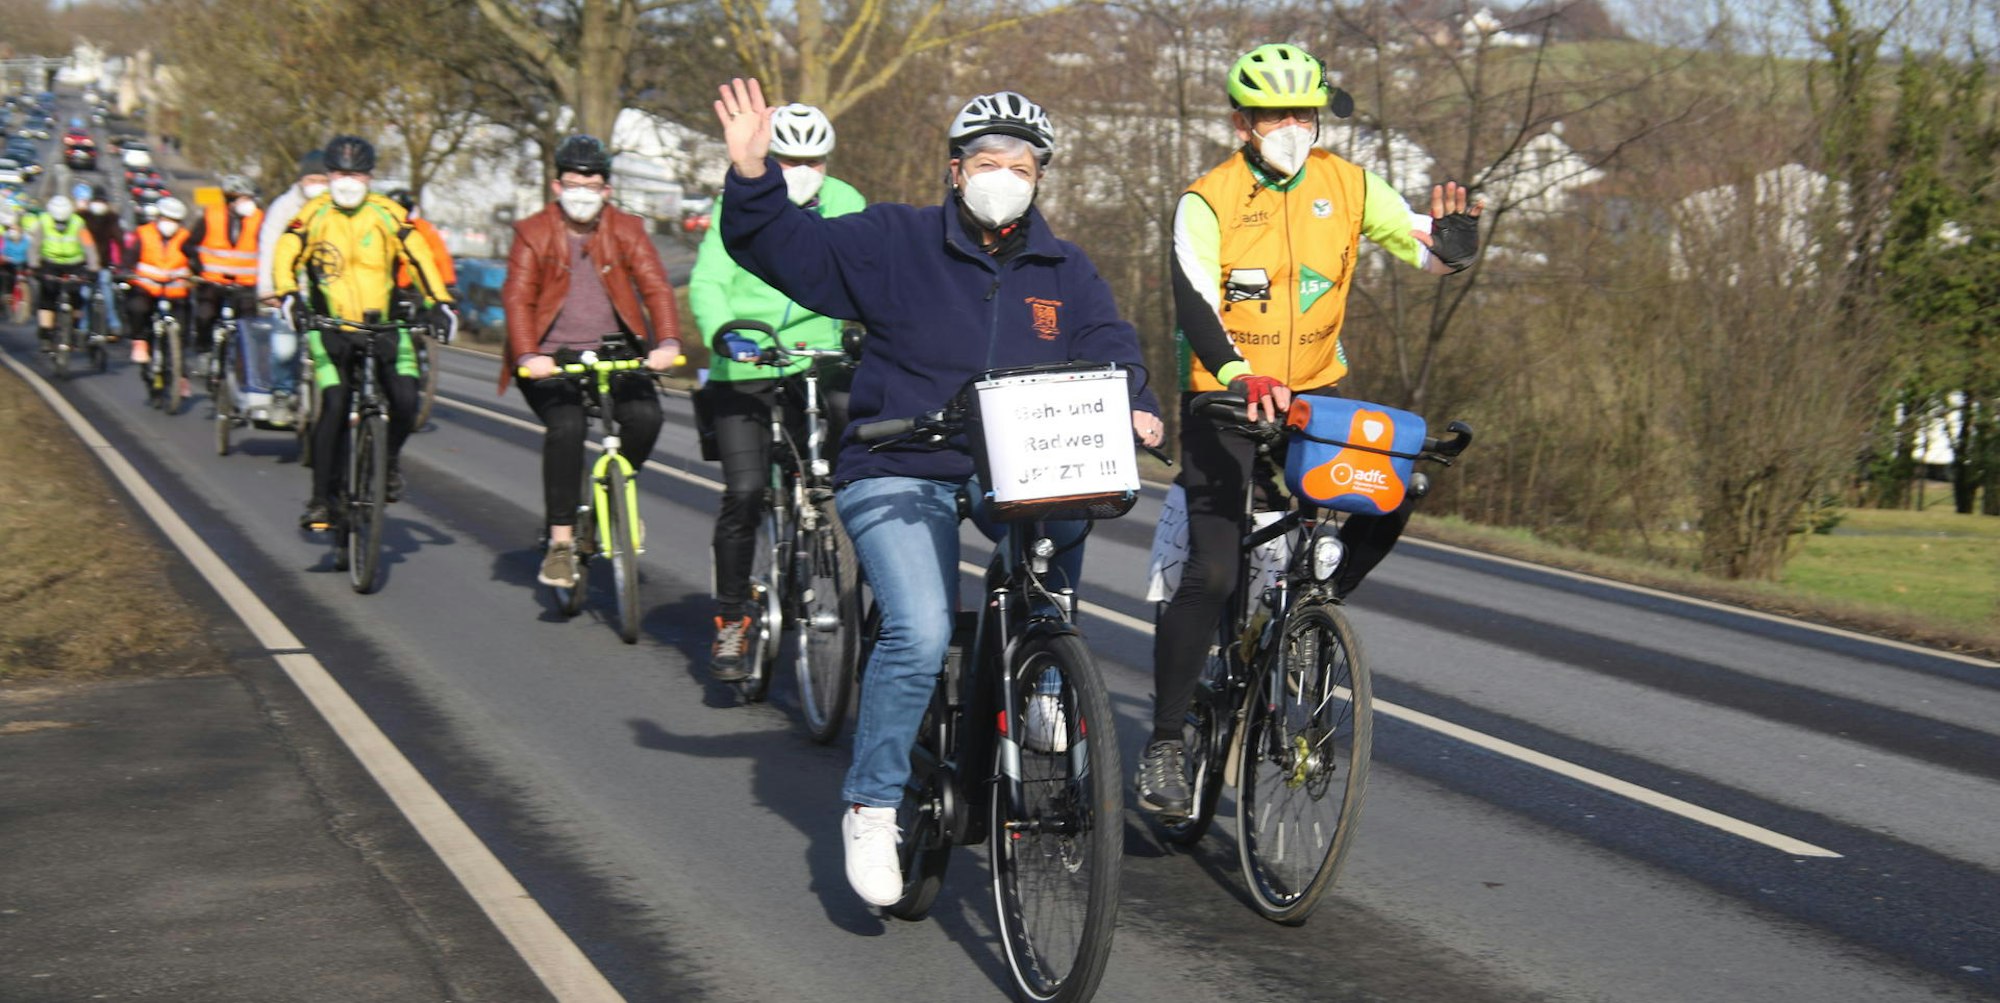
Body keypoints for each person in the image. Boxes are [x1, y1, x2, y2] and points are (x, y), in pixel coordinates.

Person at [712, 78, 1163, 907]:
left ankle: (1043, 680)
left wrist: (1135, 402)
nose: (1003, 175)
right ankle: (873, 802)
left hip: (1012, 468)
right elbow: (784, 249)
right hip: (899, 464)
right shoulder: (894, 238)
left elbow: (1110, 342)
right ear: (956, 172)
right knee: (918, 629)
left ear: (1040, 177)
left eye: (1020, 164)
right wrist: (751, 177)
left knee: (1066, 528)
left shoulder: (1065, 268)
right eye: (986, 161)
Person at [1137, 43, 1483, 816]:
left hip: (1312, 399)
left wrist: (1455, 246)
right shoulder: (1208, 198)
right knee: (1217, 572)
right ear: (1243, 121)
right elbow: (1194, 304)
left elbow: (1423, 243)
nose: (1294, 128)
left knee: (1392, 490)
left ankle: (1313, 606)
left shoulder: (1348, 185)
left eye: (1305, 114)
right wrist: (1235, 375)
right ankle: (1163, 743)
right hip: (1224, 401)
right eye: (1276, 115)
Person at [689, 102, 866, 680]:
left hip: (820, 361)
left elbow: (867, 272)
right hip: (748, 361)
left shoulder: (846, 203)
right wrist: (724, 333)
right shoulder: (735, 202)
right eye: (787, 157)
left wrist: (867, 330)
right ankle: (733, 618)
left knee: (859, 470)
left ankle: (861, 585)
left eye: (811, 159)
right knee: (743, 490)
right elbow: (710, 279)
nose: (800, 168)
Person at [500, 134, 681, 589]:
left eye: (592, 183)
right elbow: (518, 298)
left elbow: (656, 287)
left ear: (607, 190)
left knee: (645, 418)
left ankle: (610, 505)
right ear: (557, 186)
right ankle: (561, 544)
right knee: (568, 428)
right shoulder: (532, 232)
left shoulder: (627, 230)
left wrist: (668, 343)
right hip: (550, 358)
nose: (582, 191)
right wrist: (527, 355)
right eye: (573, 182)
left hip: (617, 353)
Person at [270, 134, 457, 531]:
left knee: (407, 401)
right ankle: (321, 499)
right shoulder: (314, 213)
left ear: (370, 177)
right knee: (335, 403)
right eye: (339, 173)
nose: (348, 181)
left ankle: (387, 463)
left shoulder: (387, 213)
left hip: (384, 326)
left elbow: (419, 255)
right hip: (330, 327)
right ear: (329, 174)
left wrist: (438, 302)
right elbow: (286, 252)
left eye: (356, 173)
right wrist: (289, 298)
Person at [186, 174, 263, 352]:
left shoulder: (259, 219)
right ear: (231, 199)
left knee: (248, 326)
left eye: (251, 198)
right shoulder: (211, 215)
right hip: (212, 282)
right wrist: (197, 268)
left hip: (245, 285)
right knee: (205, 316)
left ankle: (243, 367)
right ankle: (204, 349)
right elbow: (189, 244)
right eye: (245, 198)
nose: (249, 203)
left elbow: (269, 249)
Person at [120, 196, 192, 370]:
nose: (170, 224)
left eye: (174, 220)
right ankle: (139, 341)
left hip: (176, 292)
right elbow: (130, 256)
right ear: (158, 217)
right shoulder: (145, 233)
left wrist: (195, 274)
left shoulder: (186, 237)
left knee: (183, 330)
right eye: (166, 218)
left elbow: (195, 259)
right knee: (138, 308)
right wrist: (124, 272)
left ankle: (179, 374)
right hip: (147, 288)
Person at [26, 195, 100, 351]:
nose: (60, 226)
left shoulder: (78, 223)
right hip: (50, 262)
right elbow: (34, 246)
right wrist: (34, 266)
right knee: (47, 296)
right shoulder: (44, 221)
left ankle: (73, 328)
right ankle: (46, 333)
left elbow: (89, 247)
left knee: (77, 297)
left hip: (75, 263)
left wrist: (93, 268)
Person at [256, 149, 327, 303]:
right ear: (301, 180)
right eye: (311, 180)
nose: (317, 186)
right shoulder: (284, 207)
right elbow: (269, 246)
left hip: (329, 287)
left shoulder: (335, 207)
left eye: (323, 181)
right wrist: (267, 289)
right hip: (293, 288)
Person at [387, 188, 456, 307]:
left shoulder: (420, 228)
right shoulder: (424, 227)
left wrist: (447, 284)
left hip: (410, 288)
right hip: (411, 288)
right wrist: (448, 284)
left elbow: (439, 256)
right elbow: (441, 256)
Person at [80, 186, 127, 338]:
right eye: (96, 201)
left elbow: (120, 240)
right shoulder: (82, 217)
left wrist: (123, 261)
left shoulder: (111, 218)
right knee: (85, 294)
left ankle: (114, 324)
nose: (99, 204)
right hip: (84, 264)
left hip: (104, 264)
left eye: (102, 201)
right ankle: (83, 326)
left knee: (106, 290)